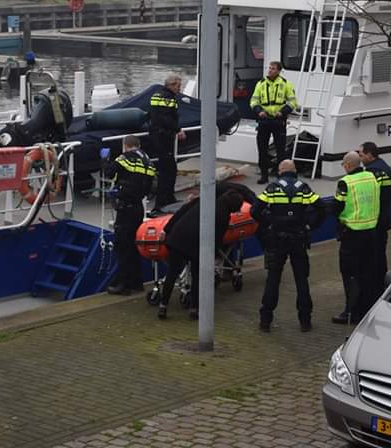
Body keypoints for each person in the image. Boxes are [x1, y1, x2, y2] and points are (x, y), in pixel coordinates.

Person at [157, 181, 249, 319]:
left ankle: (163, 306)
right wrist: (215, 255)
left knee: (172, 273)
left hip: (178, 237)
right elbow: (217, 238)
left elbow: (181, 212)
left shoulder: (204, 200)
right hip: (197, 245)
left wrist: (167, 229)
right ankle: (194, 308)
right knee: (197, 276)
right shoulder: (223, 216)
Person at [254, 159, 319, 333]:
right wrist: (309, 225)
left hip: (278, 239)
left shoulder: (273, 188)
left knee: (273, 279)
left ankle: (265, 320)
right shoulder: (304, 187)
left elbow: (255, 211)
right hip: (299, 239)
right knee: (301, 280)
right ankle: (305, 321)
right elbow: (320, 208)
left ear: (280, 171)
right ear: (294, 170)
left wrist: (270, 222)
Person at [329, 151, 380, 325]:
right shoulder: (371, 177)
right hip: (371, 232)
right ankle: (367, 308)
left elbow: (337, 206)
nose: (343, 168)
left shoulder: (345, 182)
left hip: (352, 234)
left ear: (349, 165)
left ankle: (351, 311)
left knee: (350, 275)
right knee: (367, 273)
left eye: (344, 165)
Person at [103, 135, 157, 296]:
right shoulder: (148, 161)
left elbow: (109, 173)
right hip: (138, 207)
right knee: (133, 246)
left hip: (125, 208)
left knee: (123, 247)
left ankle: (123, 285)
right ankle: (136, 282)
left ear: (125, 146)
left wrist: (104, 159)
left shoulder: (124, 158)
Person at [250, 61, 298, 184]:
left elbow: (293, 102)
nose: (270, 70)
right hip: (264, 121)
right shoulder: (260, 84)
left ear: (278, 71)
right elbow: (253, 101)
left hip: (278, 121)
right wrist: (259, 111)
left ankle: (280, 175)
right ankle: (264, 175)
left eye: (273, 68)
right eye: (269, 68)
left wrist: (282, 112)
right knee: (262, 149)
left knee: (281, 150)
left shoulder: (286, 84)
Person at [358, 142, 391, 307]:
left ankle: (376, 288)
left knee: (375, 255)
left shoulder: (373, 172)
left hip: (376, 220)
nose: (360, 157)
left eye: (361, 154)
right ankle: (382, 283)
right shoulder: (384, 167)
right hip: (384, 217)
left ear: (369, 155)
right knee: (381, 254)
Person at [149, 73, 186, 208]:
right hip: (163, 137)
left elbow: (155, 115)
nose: (179, 89)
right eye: (178, 86)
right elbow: (167, 118)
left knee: (167, 169)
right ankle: (164, 201)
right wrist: (178, 130)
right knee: (168, 170)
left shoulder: (157, 95)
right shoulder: (168, 98)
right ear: (171, 85)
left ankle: (167, 198)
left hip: (157, 135)